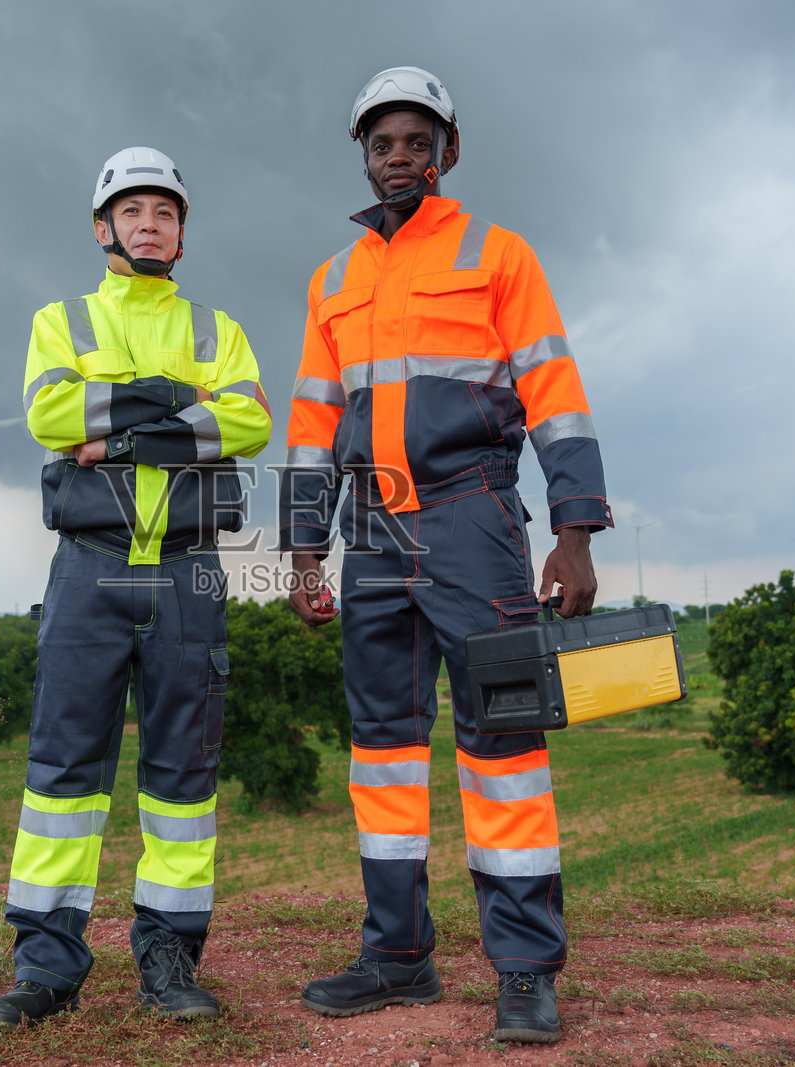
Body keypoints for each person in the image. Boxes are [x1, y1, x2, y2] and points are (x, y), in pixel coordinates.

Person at [279, 67, 612, 1045]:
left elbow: (554, 387)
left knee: (502, 743)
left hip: (476, 519)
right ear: (363, 157)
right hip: (372, 530)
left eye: (416, 141)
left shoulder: (496, 252)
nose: (398, 159)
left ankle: (523, 971)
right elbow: (309, 422)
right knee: (381, 747)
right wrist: (306, 550)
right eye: (381, 144)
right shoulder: (330, 280)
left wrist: (575, 528)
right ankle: (397, 955)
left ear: (448, 151)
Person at [0, 146, 272, 1028]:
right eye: (136, 211)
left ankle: (170, 958)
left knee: (184, 776)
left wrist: (119, 426)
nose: (153, 225)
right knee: (62, 775)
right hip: (91, 567)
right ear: (103, 226)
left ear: (183, 233)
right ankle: (46, 968)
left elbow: (252, 421)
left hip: (189, 571)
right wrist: (175, 403)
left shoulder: (218, 329)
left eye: (169, 213)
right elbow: (49, 415)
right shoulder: (59, 320)